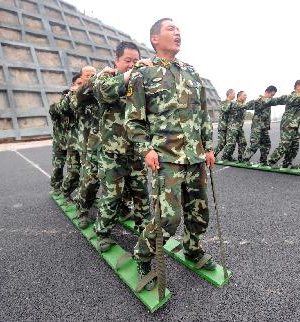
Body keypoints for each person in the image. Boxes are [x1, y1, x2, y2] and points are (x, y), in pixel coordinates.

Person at [126, 18, 216, 291]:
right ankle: (143, 255)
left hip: (195, 155)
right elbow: (134, 120)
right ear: (155, 39)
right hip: (166, 157)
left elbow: (202, 114)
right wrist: (146, 149)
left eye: (179, 29)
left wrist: (209, 146)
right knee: (168, 217)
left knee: (199, 211)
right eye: (170, 29)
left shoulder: (190, 72)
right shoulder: (144, 73)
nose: (177, 33)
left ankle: (193, 248)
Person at [91, 41, 151, 250]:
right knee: (112, 197)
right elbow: (102, 92)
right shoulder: (106, 78)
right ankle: (103, 233)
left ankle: (146, 234)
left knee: (141, 196)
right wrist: (131, 74)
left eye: (136, 61)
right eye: (128, 61)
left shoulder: (141, 82)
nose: (132, 65)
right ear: (116, 61)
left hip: (136, 153)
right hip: (112, 154)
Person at [72, 66, 101, 227]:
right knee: (89, 178)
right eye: (87, 75)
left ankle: (122, 209)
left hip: (103, 142)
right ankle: (82, 210)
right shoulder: (79, 94)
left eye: (93, 75)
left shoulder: (99, 90)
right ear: (81, 78)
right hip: (86, 144)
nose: (91, 77)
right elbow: (76, 103)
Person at [242, 86, 287, 164]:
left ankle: (263, 160)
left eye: (273, 95)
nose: (272, 97)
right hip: (257, 127)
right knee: (254, 144)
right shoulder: (260, 100)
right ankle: (245, 159)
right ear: (266, 92)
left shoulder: (268, 101)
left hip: (264, 127)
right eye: (271, 95)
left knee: (267, 143)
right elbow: (246, 106)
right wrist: (254, 101)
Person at [57, 74, 84, 202]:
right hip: (74, 141)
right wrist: (70, 96)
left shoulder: (88, 94)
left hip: (88, 141)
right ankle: (65, 192)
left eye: (82, 83)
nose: (80, 85)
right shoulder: (68, 97)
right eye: (78, 83)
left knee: (89, 173)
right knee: (74, 171)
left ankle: (85, 197)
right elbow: (63, 110)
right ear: (73, 85)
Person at [221, 91, 248, 161]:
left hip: (239, 128)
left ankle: (240, 158)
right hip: (232, 127)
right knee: (231, 144)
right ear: (239, 96)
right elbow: (246, 106)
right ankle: (225, 157)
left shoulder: (242, 104)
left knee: (243, 143)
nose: (246, 96)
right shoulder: (234, 103)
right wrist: (255, 101)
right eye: (244, 95)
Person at [49, 98, 68, 194]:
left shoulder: (71, 109)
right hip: (59, 144)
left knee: (74, 169)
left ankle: (68, 187)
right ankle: (56, 186)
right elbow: (52, 111)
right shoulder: (56, 108)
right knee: (58, 167)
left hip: (71, 144)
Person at [214, 89, 235, 157]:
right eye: (233, 94)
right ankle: (213, 155)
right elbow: (225, 109)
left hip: (229, 127)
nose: (234, 95)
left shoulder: (231, 103)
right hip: (223, 127)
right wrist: (230, 102)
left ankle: (226, 156)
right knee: (221, 143)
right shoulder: (224, 102)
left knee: (229, 143)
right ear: (230, 94)